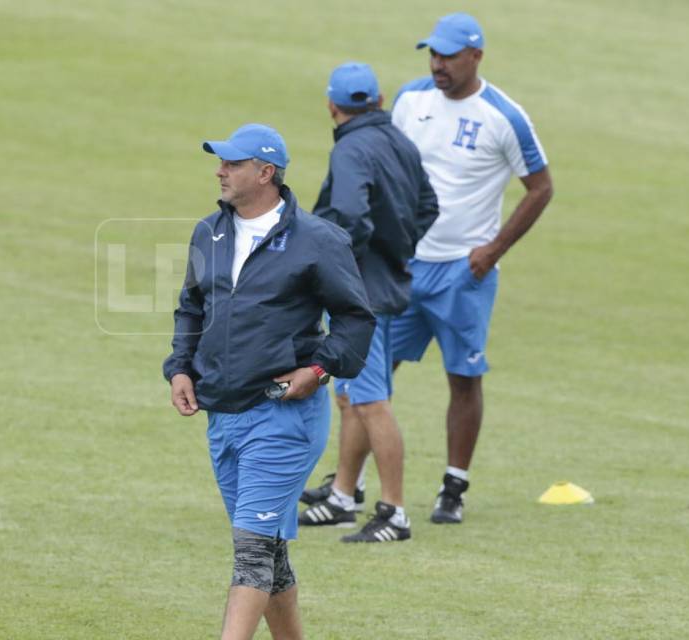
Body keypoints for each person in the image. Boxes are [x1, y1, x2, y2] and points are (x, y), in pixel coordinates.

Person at [163, 123, 375, 640]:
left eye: (232, 164)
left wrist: (319, 370)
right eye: (221, 162)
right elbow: (192, 307)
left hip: (284, 417)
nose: (220, 171)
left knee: (251, 552)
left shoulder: (318, 241)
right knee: (271, 553)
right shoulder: (208, 232)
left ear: (266, 173)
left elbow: (355, 319)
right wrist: (181, 368)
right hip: (223, 416)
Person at [389, 13, 555, 523]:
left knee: (463, 377)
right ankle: (348, 484)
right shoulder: (410, 100)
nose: (437, 65)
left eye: (448, 56)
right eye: (432, 55)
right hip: (405, 267)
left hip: (465, 272)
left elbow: (541, 187)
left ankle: (453, 487)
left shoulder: (503, 116)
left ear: (475, 56)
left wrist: (494, 249)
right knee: (370, 373)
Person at [295, 62, 438, 543]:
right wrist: (396, 250)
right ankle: (341, 495)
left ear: (332, 106)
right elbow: (428, 206)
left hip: (361, 292)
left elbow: (352, 214)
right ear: (377, 101)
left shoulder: (352, 148)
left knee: (373, 401)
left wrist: (339, 266)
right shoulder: (400, 141)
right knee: (351, 395)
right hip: (389, 283)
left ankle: (394, 512)